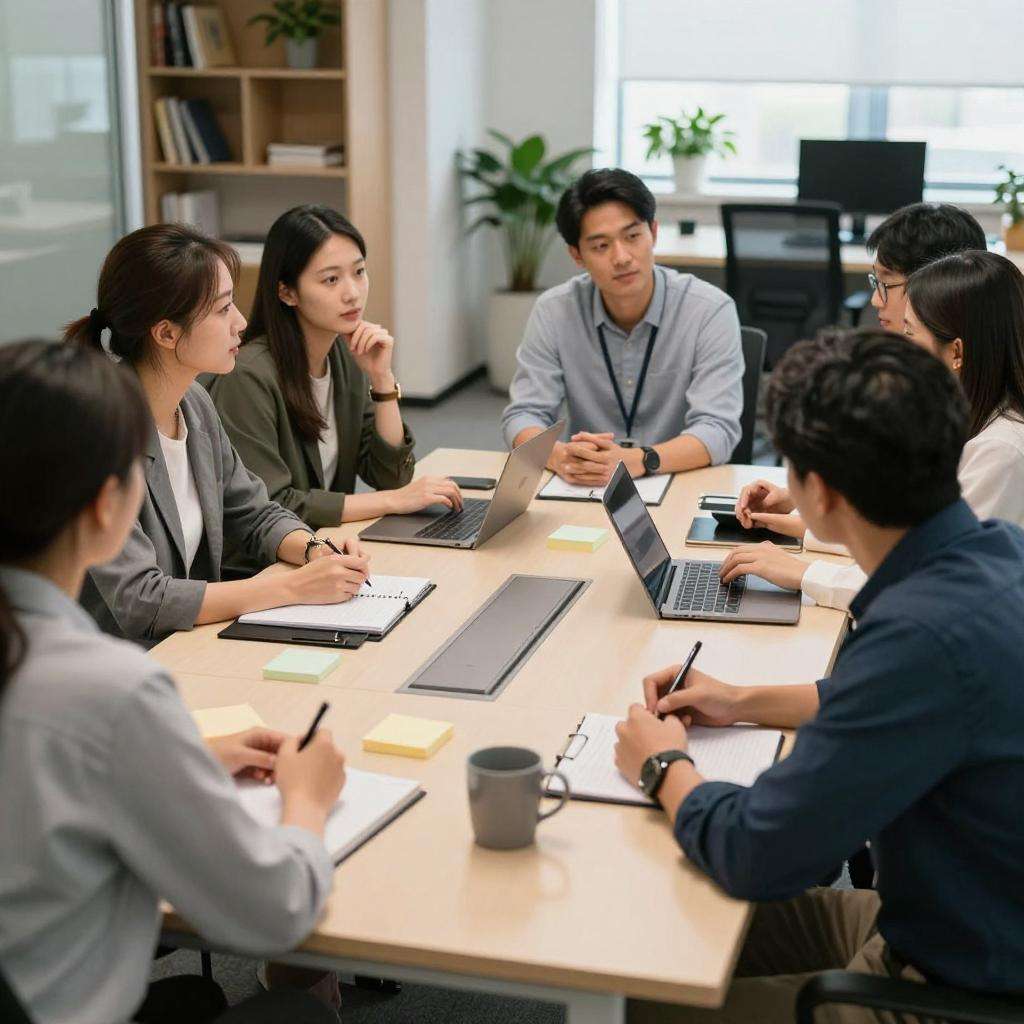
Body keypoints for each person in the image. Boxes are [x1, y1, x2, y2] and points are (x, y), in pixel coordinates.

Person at [614, 329, 1024, 1022]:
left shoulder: (914, 638)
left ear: (821, 493)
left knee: (648, 999)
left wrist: (663, 769)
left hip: (951, 986)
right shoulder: (994, 553)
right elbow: (915, 701)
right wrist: (740, 700)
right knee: (656, 925)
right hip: (954, 916)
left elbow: (758, 852)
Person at [0, 340, 345, 1024]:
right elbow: (274, 911)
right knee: (296, 1016)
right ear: (108, 505)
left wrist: (182, 758)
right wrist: (307, 801)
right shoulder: (108, 690)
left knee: (196, 997)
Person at [66, 224, 370, 646]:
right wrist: (293, 588)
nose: (241, 323)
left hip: (186, 644)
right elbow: (141, 600)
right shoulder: (97, 434)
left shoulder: (193, 402)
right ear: (167, 332)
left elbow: (254, 512)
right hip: (114, 666)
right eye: (223, 309)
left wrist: (313, 547)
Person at [723, 250, 1024, 610]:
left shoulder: (1002, 452)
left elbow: (930, 582)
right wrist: (801, 521)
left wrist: (805, 574)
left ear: (956, 353)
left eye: (909, 333)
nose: (898, 348)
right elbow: (908, 538)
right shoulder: (971, 417)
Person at [207, 206, 461, 557]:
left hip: (329, 548)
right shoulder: (248, 376)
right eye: (331, 279)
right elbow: (273, 505)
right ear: (287, 293)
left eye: (359, 272)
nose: (352, 293)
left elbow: (391, 475)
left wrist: (382, 379)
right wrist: (392, 501)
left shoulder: (343, 356)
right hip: (267, 565)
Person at [500, 168, 743, 485]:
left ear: (653, 233)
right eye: (601, 246)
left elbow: (717, 429)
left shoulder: (709, 311)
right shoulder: (555, 310)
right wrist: (558, 456)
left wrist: (640, 460)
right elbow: (523, 415)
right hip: (588, 483)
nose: (622, 257)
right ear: (577, 255)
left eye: (632, 237)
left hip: (679, 480)